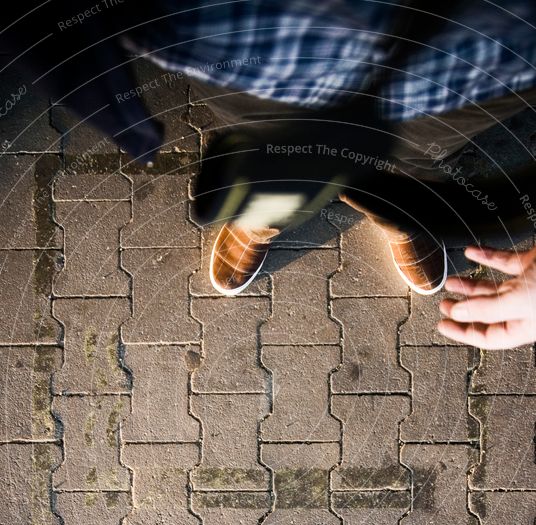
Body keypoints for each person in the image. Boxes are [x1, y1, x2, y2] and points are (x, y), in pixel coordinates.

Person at [10, 1, 536, 348]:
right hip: (252, 53)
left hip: (476, 62)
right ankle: (264, 216)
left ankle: (400, 211)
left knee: (426, 149)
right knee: (269, 151)